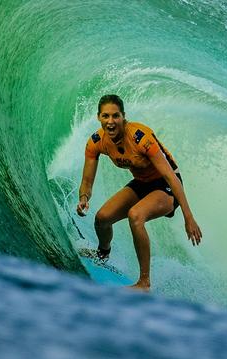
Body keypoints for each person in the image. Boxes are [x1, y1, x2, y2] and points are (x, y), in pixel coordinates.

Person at [76, 94, 202, 292]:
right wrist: (84, 198)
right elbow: (86, 181)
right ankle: (102, 254)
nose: (111, 122)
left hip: (166, 185)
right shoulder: (96, 142)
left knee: (136, 215)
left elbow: (171, 176)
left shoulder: (140, 138)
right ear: (98, 117)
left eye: (115, 116)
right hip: (142, 183)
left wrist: (189, 217)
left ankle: (144, 282)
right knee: (102, 218)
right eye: (105, 116)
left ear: (123, 117)